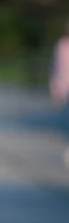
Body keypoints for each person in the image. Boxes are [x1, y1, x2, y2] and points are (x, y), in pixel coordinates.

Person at [49, 20, 69, 168]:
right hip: (64, 89)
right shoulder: (62, 46)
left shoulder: (62, 45)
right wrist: (55, 87)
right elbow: (57, 68)